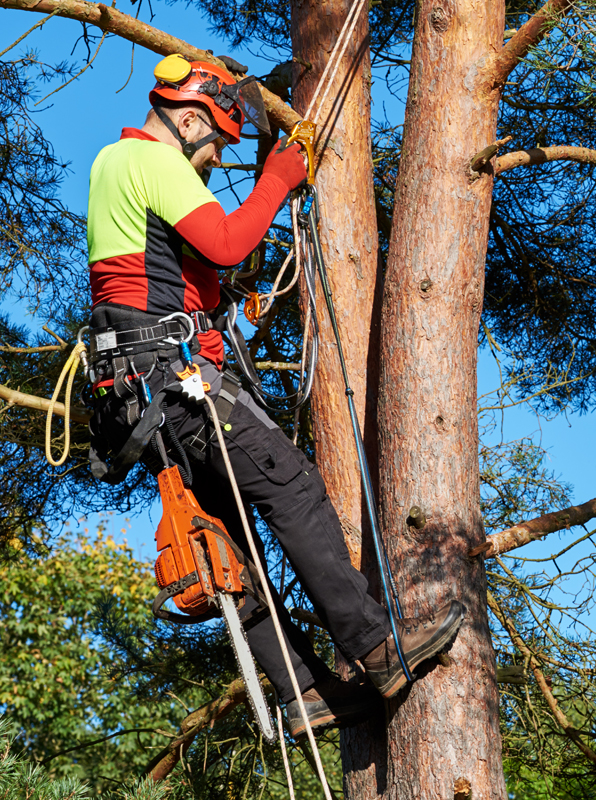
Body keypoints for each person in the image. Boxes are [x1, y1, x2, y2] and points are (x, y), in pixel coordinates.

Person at [85, 54, 464, 737]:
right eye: (217, 145)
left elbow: (190, 266)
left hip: (139, 392)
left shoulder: (116, 170)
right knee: (291, 488)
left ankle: (304, 693)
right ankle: (378, 650)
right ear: (191, 117)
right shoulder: (149, 159)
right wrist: (280, 176)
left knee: (232, 547)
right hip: (171, 384)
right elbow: (227, 242)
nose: (213, 159)